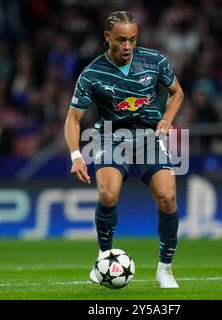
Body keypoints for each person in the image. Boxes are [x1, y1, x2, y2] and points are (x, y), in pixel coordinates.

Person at [64, 11, 184, 288]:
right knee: (108, 194)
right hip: (110, 137)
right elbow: (73, 118)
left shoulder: (154, 60)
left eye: (132, 39)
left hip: (148, 137)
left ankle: (165, 269)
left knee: (167, 197)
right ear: (107, 37)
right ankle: (103, 257)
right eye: (121, 40)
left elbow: (177, 92)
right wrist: (76, 155)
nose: (128, 46)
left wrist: (166, 119)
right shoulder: (92, 74)